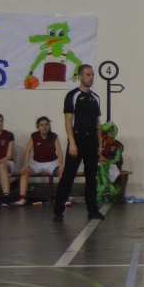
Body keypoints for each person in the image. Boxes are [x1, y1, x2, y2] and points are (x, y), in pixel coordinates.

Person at [53, 64, 104, 222]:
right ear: (80, 76)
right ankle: (58, 211)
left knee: (91, 177)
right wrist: (72, 143)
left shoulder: (95, 98)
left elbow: (97, 122)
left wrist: (100, 142)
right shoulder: (72, 96)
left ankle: (92, 210)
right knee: (68, 176)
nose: (91, 77)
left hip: (92, 140)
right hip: (78, 138)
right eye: (88, 75)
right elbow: (68, 121)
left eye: (92, 75)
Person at [14, 117, 63, 206]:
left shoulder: (54, 136)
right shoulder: (34, 136)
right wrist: (26, 165)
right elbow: (28, 151)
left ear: (49, 126)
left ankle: (64, 198)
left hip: (52, 163)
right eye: (42, 125)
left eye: (46, 125)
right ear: (38, 127)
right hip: (37, 163)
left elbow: (59, 152)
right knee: (24, 173)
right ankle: (22, 197)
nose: (44, 127)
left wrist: (61, 166)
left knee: (62, 173)